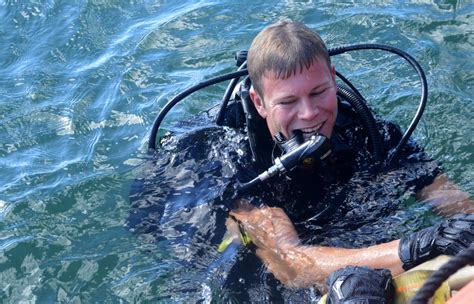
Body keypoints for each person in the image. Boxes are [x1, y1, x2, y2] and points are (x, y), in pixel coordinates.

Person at [128, 20, 474, 301]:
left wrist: (459, 229)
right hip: (237, 232)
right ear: (260, 103)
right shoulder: (231, 158)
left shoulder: (370, 133)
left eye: (319, 92)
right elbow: (291, 264)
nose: (310, 113)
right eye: (288, 101)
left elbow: (455, 204)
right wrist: (418, 245)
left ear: (334, 80)